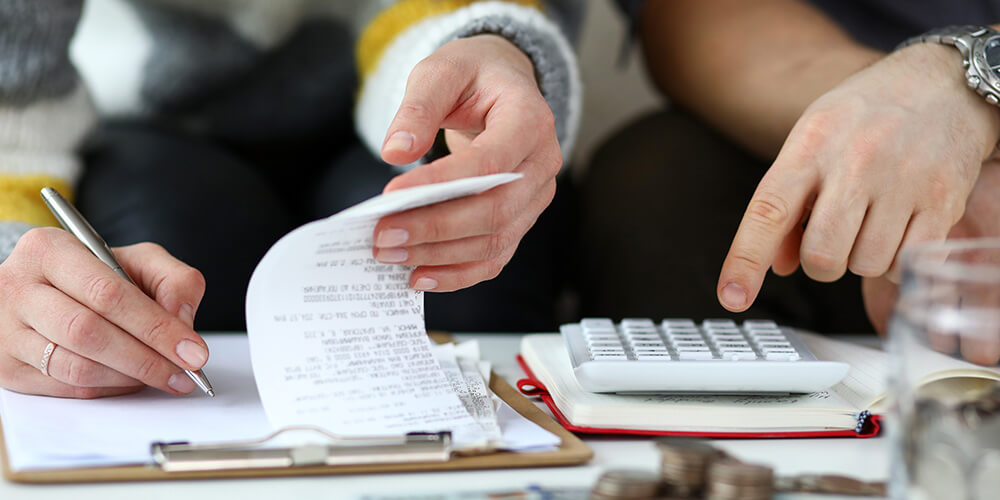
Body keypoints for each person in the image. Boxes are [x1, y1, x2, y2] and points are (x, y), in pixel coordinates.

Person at [0, 0, 582, 398]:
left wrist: (494, 52)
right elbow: (14, 90)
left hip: (406, 95)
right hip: (149, 122)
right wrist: (11, 264)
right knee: (175, 230)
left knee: (454, 258)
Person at [582, 0, 1000, 363]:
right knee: (661, 180)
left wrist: (965, 117)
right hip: (811, 83)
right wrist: (898, 128)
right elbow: (699, 17)